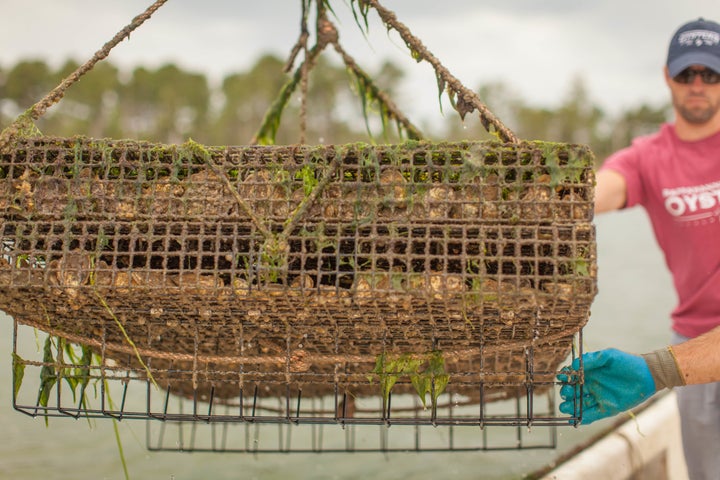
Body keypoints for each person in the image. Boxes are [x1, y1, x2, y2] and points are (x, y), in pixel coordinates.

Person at [560, 17, 720, 480]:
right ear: (667, 76)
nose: (697, 84)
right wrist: (544, 200)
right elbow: (597, 190)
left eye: (710, 74)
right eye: (687, 73)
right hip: (694, 344)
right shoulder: (648, 156)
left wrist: (655, 370)